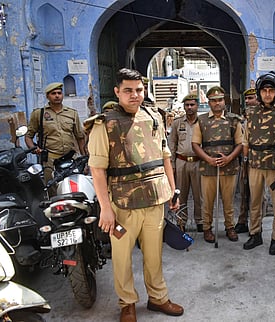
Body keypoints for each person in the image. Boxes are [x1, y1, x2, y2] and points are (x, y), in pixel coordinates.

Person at [85, 68, 184, 321]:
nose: (135, 95)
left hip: (154, 199)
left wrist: (173, 190)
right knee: (122, 259)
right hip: (122, 203)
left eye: (139, 90)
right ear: (117, 91)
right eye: (128, 90)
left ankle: (158, 298)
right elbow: (97, 170)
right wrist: (105, 209)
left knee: (154, 256)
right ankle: (127, 303)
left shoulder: (154, 117)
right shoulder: (104, 123)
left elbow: (165, 159)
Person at [242, 73, 275, 255]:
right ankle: (255, 233)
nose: (267, 94)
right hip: (255, 164)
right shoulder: (250, 112)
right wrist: (245, 161)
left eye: (271, 91)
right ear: (259, 92)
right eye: (264, 90)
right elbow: (246, 139)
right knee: (254, 201)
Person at [191, 86, 243, 243]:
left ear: (224, 101)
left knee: (228, 201)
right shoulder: (201, 120)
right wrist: (208, 159)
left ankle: (229, 227)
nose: (217, 103)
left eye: (220, 100)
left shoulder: (234, 120)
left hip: (229, 167)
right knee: (208, 201)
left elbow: (240, 144)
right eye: (213, 100)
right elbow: (195, 144)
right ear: (209, 102)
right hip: (208, 168)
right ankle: (207, 228)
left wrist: (229, 158)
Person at [25, 82, 86, 195]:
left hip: (70, 158)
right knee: (52, 189)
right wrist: (33, 148)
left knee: (73, 187)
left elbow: (80, 137)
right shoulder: (39, 114)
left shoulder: (72, 113)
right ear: (48, 96)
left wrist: (84, 156)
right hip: (50, 160)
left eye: (59, 93)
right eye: (53, 93)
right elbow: (28, 136)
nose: (57, 95)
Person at [168, 93, 203, 232]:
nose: (189, 107)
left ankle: (201, 222)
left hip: (198, 162)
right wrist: (172, 164)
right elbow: (172, 144)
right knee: (180, 194)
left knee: (199, 195)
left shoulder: (203, 121)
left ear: (197, 106)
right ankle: (181, 222)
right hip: (181, 162)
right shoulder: (177, 122)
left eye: (192, 105)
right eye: (187, 105)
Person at [234, 87, 259, 234]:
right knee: (244, 192)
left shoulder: (263, 118)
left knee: (257, 196)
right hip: (243, 162)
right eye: (247, 99)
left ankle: (256, 225)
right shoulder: (241, 121)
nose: (249, 101)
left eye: (252, 98)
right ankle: (242, 221)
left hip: (258, 162)